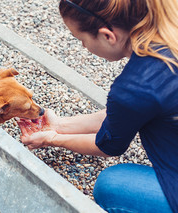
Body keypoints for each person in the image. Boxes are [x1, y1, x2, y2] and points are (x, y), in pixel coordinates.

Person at [18, 0, 178, 212]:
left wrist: (52, 138)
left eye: (81, 40)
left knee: (111, 186)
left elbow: (108, 146)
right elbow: (126, 113)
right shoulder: (169, 30)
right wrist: (60, 125)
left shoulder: (135, 85)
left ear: (107, 36)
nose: (84, 47)